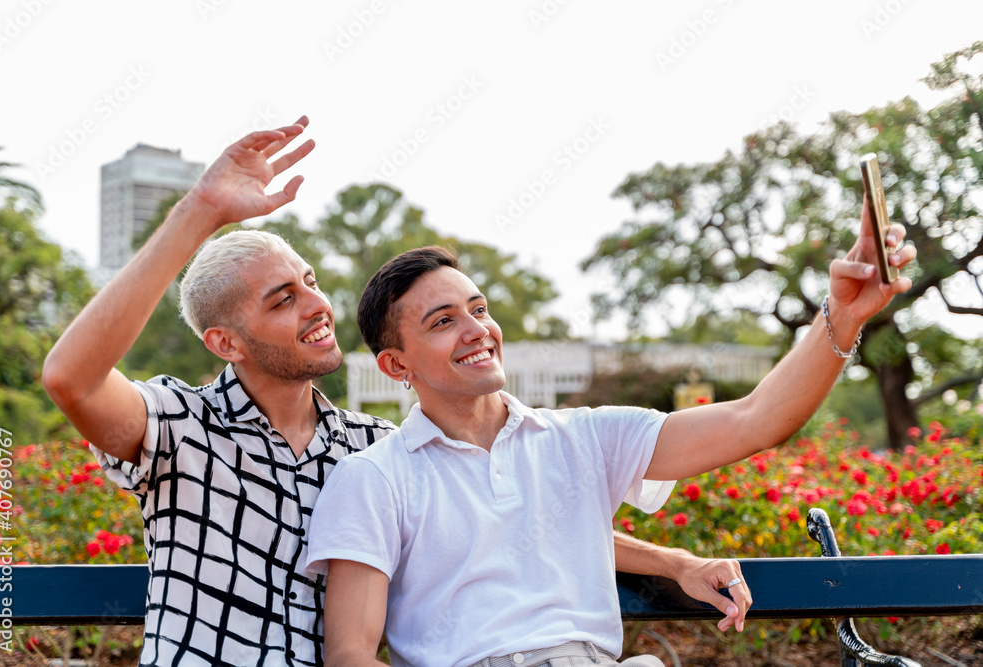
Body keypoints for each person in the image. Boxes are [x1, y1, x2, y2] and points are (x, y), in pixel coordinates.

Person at [42, 119, 751, 667]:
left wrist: (674, 562)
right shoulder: (179, 425)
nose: (316, 305)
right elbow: (71, 378)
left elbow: (525, 519)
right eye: (284, 299)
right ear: (227, 342)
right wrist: (200, 209)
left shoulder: (371, 449)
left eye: (312, 281)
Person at [306, 204, 916, 667]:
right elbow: (351, 654)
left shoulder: (584, 439)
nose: (476, 330)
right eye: (444, 322)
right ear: (396, 366)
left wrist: (845, 315)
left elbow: (754, 422)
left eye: (479, 309)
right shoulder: (374, 478)